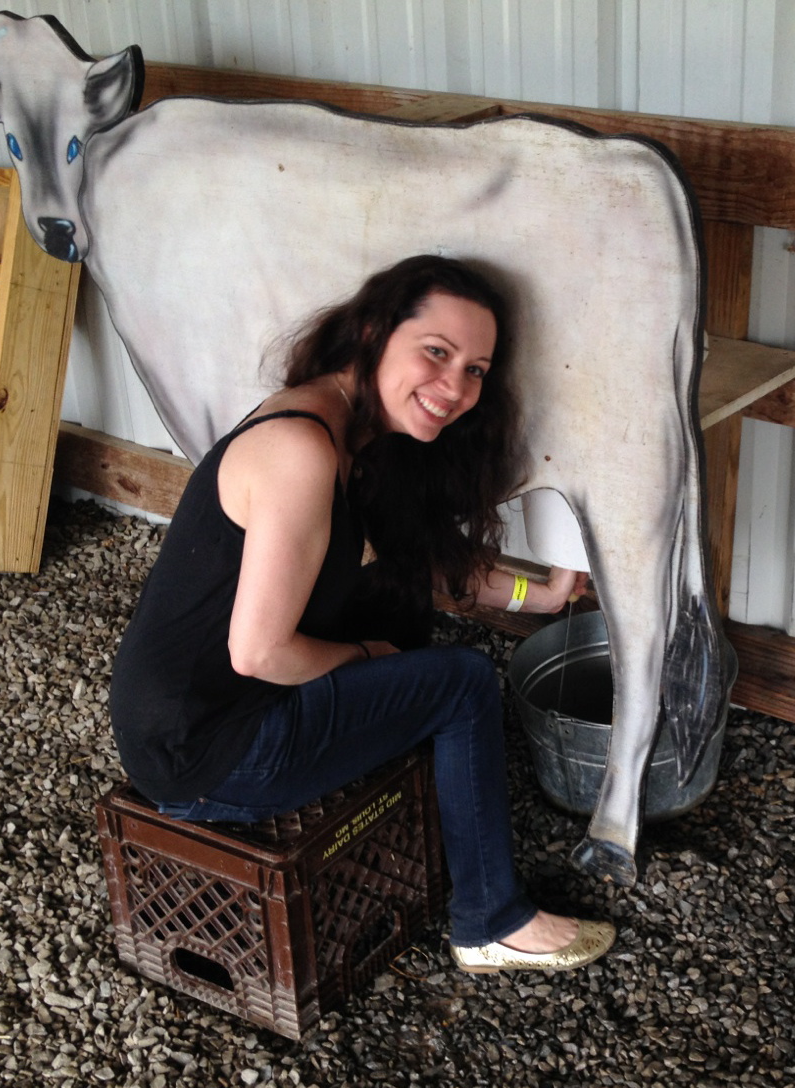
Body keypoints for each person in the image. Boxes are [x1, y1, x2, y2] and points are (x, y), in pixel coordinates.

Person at [110, 254, 615, 973]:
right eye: (436, 352)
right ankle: (491, 921)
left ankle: (427, 781)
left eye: (474, 369)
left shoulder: (347, 427)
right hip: (210, 752)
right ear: (374, 331)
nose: (455, 387)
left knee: (398, 606)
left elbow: (425, 563)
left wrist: (546, 596)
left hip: (188, 721)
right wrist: (366, 658)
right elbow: (259, 652)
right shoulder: (299, 450)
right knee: (464, 682)